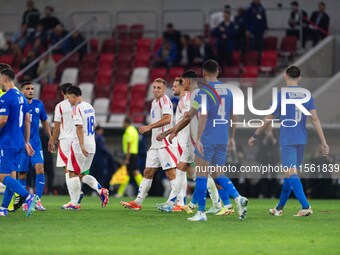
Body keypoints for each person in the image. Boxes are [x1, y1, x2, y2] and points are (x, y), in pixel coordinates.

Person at [169, 61, 248, 221]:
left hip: (208, 138)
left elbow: (199, 115)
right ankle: (238, 198)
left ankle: (201, 212)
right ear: (218, 71)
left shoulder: (204, 92)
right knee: (217, 173)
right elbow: (235, 115)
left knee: (202, 175)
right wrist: (231, 138)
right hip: (223, 138)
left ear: (204, 73)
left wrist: (198, 139)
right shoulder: (229, 91)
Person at [248, 65, 329, 216]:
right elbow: (315, 120)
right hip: (301, 139)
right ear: (299, 78)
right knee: (289, 175)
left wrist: (255, 135)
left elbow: (268, 119)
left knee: (291, 173)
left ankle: (305, 206)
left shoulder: (281, 95)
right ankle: (279, 208)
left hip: (288, 140)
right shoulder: (307, 95)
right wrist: (324, 142)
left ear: (285, 76)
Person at [120, 78, 178, 210]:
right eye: (154, 87)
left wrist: (149, 127)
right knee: (147, 172)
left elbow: (167, 118)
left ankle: (175, 203)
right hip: (155, 144)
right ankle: (138, 202)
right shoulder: (153, 103)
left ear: (164, 90)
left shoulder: (165, 100)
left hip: (165, 143)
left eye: (159, 88)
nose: (156, 90)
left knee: (170, 173)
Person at [0, 67, 38, 217]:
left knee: (2, 176)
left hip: (7, 142)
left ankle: (28, 197)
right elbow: (27, 120)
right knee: (12, 175)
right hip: (19, 142)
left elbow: (2, 120)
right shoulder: (21, 97)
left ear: (3, 78)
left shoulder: (6, 98)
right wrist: (26, 141)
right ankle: (3, 208)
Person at [64, 85, 109, 210]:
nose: (68, 101)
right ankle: (100, 190)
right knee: (82, 174)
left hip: (80, 145)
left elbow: (79, 127)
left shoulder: (76, 108)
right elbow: (92, 125)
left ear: (73, 95)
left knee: (72, 173)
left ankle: (74, 203)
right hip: (91, 143)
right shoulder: (89, 106)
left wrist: (82, 145)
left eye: (68, 98)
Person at [13, 81, 54, 211]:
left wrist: (51, 137)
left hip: (36, 144)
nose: (31, 91)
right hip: (22, 144)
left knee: (40, 169)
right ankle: (25, 202)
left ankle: (37, 200)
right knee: (22, 174)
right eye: (27, 89)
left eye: (32, 89)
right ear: (21, 91)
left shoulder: (38, 104)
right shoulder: (17, 105)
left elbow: (45, 121)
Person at [51, 83, 77, 207]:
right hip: (78, 139)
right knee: (77, 171)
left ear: (62, 93)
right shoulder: (80, 104)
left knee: (67, 169)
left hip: (66, 140)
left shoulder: (60, 106)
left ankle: (73, 199)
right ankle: (94, 190)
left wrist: (52, 140)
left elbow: (56, 128)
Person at [116, 117, 143, 197]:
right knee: (128, 173)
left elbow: (129, 144)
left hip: (130, 154)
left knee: (134, 172)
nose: (122, 124)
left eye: (123, 122)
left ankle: (143, 189)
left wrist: (127, 158)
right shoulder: (134, 130)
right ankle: (120, 192)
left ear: (126, 122)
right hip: (133, 153)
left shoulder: (128, 131)